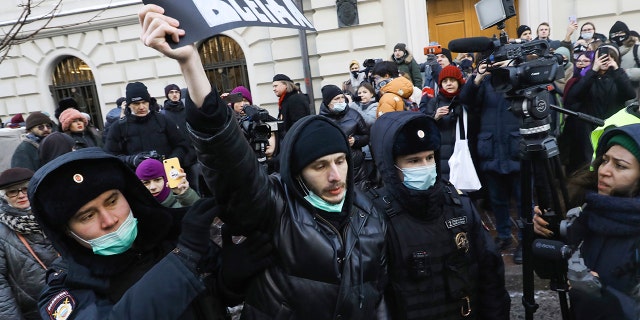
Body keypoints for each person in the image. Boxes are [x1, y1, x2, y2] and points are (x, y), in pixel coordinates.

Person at [138, 5, 389, 318]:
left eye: (340, 161)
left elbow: (378, 297)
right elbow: (231, 164)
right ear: (297, 172)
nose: (336, 175)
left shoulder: (370, 215)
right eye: (320, 166)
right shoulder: (276, 209)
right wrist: (191, 64)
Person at [28, 148, 271, 319]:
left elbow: (209, 301)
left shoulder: (166, 240)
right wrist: (184, 260)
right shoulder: (65, 289)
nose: (110, 220)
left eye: (112, 201)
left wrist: (229, 281)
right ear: (67, 232)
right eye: (87, 216)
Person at [368, 111, 510, 319]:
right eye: (414, 161)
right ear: (390, 165)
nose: (425, 167)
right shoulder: (375, 217)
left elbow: (491, 276)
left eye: (429, 157)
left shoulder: (459, 205)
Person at [533, 124, 640, 320]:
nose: (604, 170)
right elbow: (550, 272)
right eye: (605, 160)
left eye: (620, 166)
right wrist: (544, 234)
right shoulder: (587, 210)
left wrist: (601, 297)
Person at [459, 60, 523, 263]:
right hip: (491, 150)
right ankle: (504, 236)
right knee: (497, 199)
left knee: (523, 201)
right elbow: (465, 99)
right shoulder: (485, 83)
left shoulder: (519, 78)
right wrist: (478, 76)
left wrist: (513, 67)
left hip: (516, 149)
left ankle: (524, 240)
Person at [564, 43, 636, 174]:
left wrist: (616, 69)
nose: (604, 60)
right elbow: (573, 96)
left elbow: (630, 94)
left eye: (609, 57)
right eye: (601, 57)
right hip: (588, 129)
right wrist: (593, 70)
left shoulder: (618, 77)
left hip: (611, 128)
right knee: (587, 166)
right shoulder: (588, 77)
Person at [0, 167, 58, 319]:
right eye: (13, 192)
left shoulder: (55, 213)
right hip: (35, 312)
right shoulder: (2, 231)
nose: (21, 195)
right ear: (4, 196)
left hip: (76, 298)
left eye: (25, 188)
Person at [104, 81, 192, 169]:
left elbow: (181, 145)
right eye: (136, 103)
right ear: (129, 105)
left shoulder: (163, 120)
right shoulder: (119, 127)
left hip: (167, 175)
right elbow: (111, 156)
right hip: (136, 178)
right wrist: (133, 160)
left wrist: (169, 163)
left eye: (144, 102)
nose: (141, 107)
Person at [319, 84, 371, 187]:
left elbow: (366, 136)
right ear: (327, 102)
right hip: (334, 169)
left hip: (357, 169)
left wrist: (355, 140)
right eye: (336, 99)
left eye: (342, 97)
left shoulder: (354, 115)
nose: (341, 101)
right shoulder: (321, 120)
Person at [424, 65, 469, 181]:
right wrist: (435, 117)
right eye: (445, 81)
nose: (449, 83)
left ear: (459, 82)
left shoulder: (467, 100)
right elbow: (425, 127)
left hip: (464, 150)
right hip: (442, 152)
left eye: (452, 80)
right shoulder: (434, 102)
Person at [135, 158, 200, 208]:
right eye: (146, 182)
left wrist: (185, 194)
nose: (153, 187)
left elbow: (203, 217)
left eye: (157, 180)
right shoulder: (133, 207)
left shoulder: (180, 201)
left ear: (166, 179)